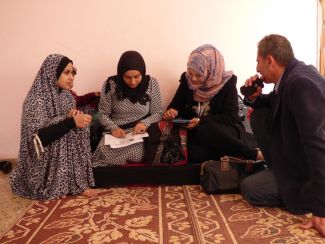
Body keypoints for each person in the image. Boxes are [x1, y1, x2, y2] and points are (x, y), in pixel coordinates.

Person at [240, 34, 325, 237]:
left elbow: (318, 146)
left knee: (250, 188)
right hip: (295, 158)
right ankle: (277, 171)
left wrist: (321, 208)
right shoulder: (294, 75)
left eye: (258, 62)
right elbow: (273, 101)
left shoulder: (300, 84)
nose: (257, 69)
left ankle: (305, 191)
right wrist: (253, 96)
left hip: (311, 173)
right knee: (259, 115)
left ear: (270, 60)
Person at [10, 54, 97, 200]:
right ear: (52, 72)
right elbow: (36, 141)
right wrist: (69, 121)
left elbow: (65, 122)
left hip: (53, 148)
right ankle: (55, 184)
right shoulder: (35, 100)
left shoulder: (66, 96)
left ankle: (74, 183)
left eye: (72, 72)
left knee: (80, 126)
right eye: (66, 72)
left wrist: (73, 116)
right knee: (69, 125)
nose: (71, 77)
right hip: (37, 159)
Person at [163, 44, 263, 163]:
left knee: (204, 129)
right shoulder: (187, 80)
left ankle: (251, 154)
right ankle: (236, 154)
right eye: (190, 73)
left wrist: (201, 121)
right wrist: (172, 111)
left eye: (198, 75)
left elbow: (231, 117)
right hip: (197, 135)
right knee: (195, 154)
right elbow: (175, 105)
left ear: (211, 70)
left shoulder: (228, 83)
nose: (193, 79)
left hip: (224, 130)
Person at [92, 50, 163, 166]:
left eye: (137, 76)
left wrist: (144, 123)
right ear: (120, 74)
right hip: (117, 133)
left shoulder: (151, 83)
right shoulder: (110, 84)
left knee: (139, 151)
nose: (133, 82)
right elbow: (102, 114)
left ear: (143, 73)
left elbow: (158, 112)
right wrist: (113, 128)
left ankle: (112, 166)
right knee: (104, 151)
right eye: (127, 77)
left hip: (141, 132)